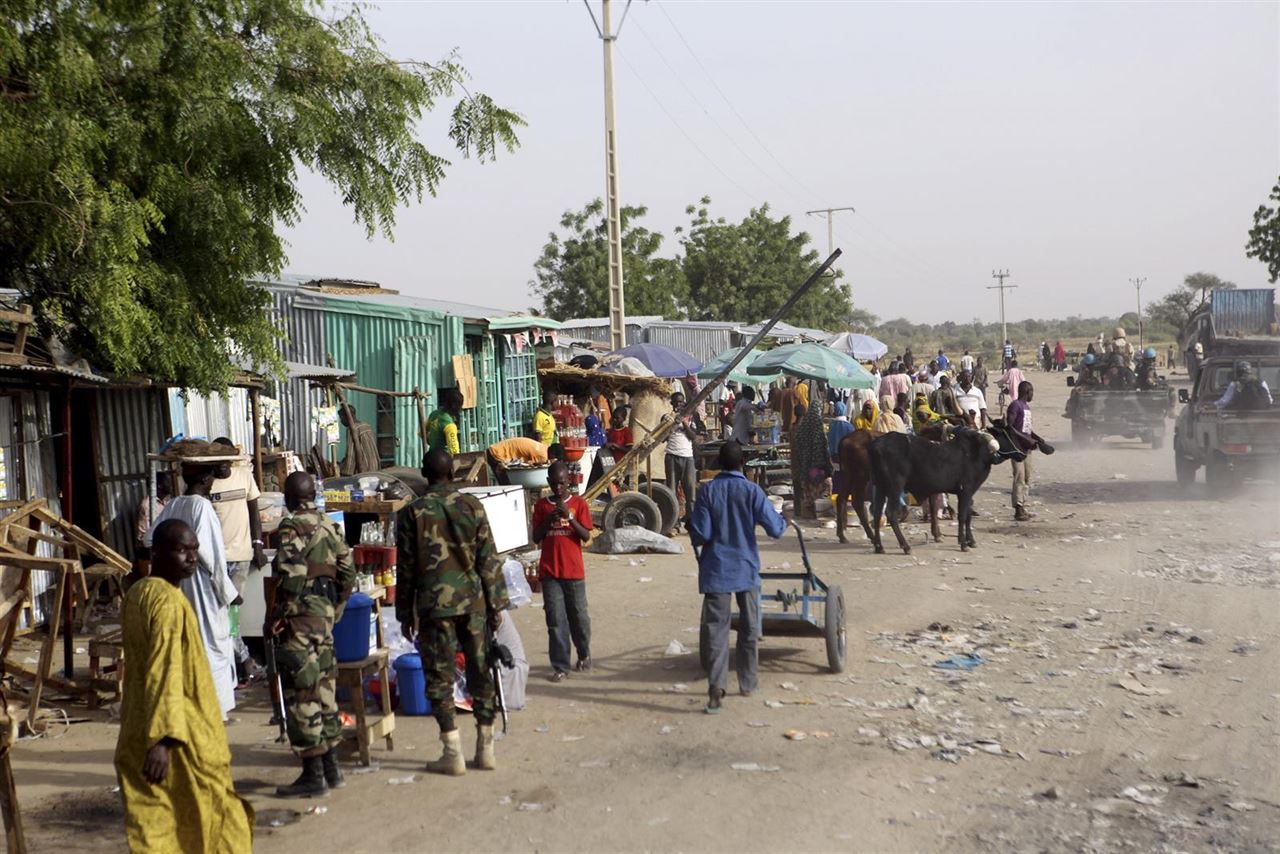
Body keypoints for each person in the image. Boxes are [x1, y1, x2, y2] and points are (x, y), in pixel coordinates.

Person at [115, 519, 254, 851]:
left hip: (137, 725)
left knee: (157, 821)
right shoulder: (166, 603)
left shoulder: (138, 593)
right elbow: (164, 669)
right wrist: (163, 739)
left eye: (195, 550)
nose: (191, 558)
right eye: (181, 550)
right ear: (157, 553)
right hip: (177, 734)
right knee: (208, 817)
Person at [396, 449, 508, 776]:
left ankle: (452, 752)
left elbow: (406, 568)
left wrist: (405, 613)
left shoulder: (413, 512)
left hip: (434, 608)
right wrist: (496, 605)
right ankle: (486, 748)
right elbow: (488, 559)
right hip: (473, 604)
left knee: (439, 678)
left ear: (424, 473)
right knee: (481, 671)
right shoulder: (472, 506)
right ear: (453, 473)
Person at [268, 473, 356, 797]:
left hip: (300, 622)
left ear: (289, 498)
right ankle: (332, 769)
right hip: (324, 620)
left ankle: (313, 774)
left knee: (302, 693)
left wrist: (279, 615)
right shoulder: (330, 526)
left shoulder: (290, 528)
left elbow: (292, 577)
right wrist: (336, 609)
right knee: (325, 691)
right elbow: (348, 573)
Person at [690, 441, 786, 714]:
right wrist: (784, 520)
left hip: (716, 570)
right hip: (746, 569)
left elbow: (702, 534)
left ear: (719, 464)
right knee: (750, 628)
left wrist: (693, 525)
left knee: (716, 631)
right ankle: (748, 682)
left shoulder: (707, 492)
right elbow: (775, 529)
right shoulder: (753, 491)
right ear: (742, 463)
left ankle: (716, 688)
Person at [146, 462, 238, 719]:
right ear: (206, 479)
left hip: (180, 581)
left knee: (190, 639)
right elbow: (212, 557)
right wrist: (229, 593)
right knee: (212, 644)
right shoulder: (202, 507)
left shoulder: (175, 504)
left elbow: (150, 537)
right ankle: (215, 709)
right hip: (203, 586)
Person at [531, 462, 593, 681]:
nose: (558, 488)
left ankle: (584, 653)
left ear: (569, 481)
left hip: (573, 572)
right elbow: (536, 537)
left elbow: (586, 536)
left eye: (562, 483)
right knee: (555, 621)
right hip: (550, 573)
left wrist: (570, 517)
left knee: (579, 618)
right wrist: (549, 519)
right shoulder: (542, 506)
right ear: (549, 482)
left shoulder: (579, 504)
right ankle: (560, 666)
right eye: (554, 484)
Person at [209, 437, 267, 595]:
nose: (222, 463)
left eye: (226, 458)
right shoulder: (206, 482)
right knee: (218, 604)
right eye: (218, 458)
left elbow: (254, 513)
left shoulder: (244, 475)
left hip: (241, 555)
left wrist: (258, 545)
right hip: (215, 558)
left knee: (236, 604)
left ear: (232, 458)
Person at [1006, 380, 1047, 521]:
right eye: (1032, 392)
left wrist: (1037, 438)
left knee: (1027, 477)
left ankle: (1023, 505)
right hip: (1017, 448)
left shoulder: (1026, 407)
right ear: (1027, 392)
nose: (1032, 395)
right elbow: (1010, 427)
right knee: (1019, 476)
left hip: (1027, 448)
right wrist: (1026, 439)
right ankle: (1018, 508)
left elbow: (1027, 429)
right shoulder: (1015, 405)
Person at [665, 391, 702, 530]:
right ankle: (673, 523)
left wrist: (684, 422)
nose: (678, 405)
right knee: (672, 491)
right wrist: (672, 423)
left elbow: (693, 437)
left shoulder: (691, 417)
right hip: (672, 455)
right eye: (676, 402)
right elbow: (663, 438)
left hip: (687, 457)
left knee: (690, 491)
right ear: (671, 403)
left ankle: (691, 521)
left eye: (681, 402)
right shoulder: (667, 417)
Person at [790, 401, 831, 519]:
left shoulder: (802, 428)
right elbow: (823, 447)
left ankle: (805, 511)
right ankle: (817, 511)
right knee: (820, 488)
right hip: (817, 466)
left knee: (806, 487)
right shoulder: (818, 427)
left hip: (803, 464)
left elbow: (797, 446)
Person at [135, 471, 173, 551]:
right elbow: (142, 536)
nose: (171, 485)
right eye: (168, 482)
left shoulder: (168, 502)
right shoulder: (147, 505)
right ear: (159, 486)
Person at [827, 402, 855, 496]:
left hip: (834, 456)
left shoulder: (832, 426)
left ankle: (836, 495)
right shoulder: (850, 427)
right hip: (847, 457)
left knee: (837, 477)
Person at [427, 387, 465, 455]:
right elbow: (454, 451)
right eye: (460, 406)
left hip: (430, 456)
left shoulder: (433, 414)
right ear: (454, 406)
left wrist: (431, 441)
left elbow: (422, 432)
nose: (460, 409)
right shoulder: (449, 425)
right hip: (443, 458)